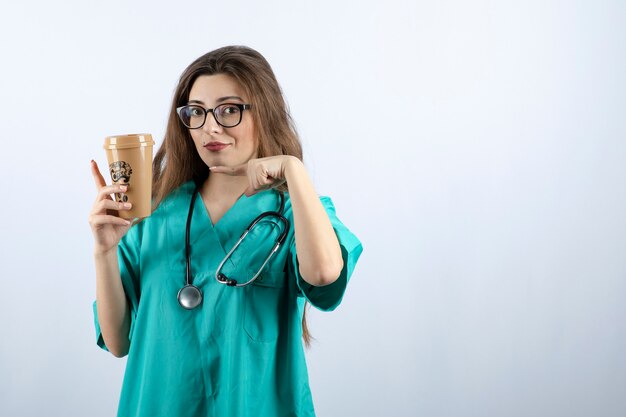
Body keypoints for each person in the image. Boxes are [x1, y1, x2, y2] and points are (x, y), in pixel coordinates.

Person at [89, 45, 362, 417]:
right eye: (196, 112)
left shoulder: (296, 210)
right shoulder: (151, 214)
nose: (210, 127)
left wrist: (294, 171)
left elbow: (324, 275)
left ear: (264, 114)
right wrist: (104, 251)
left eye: (229, 110)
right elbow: (119, 341)